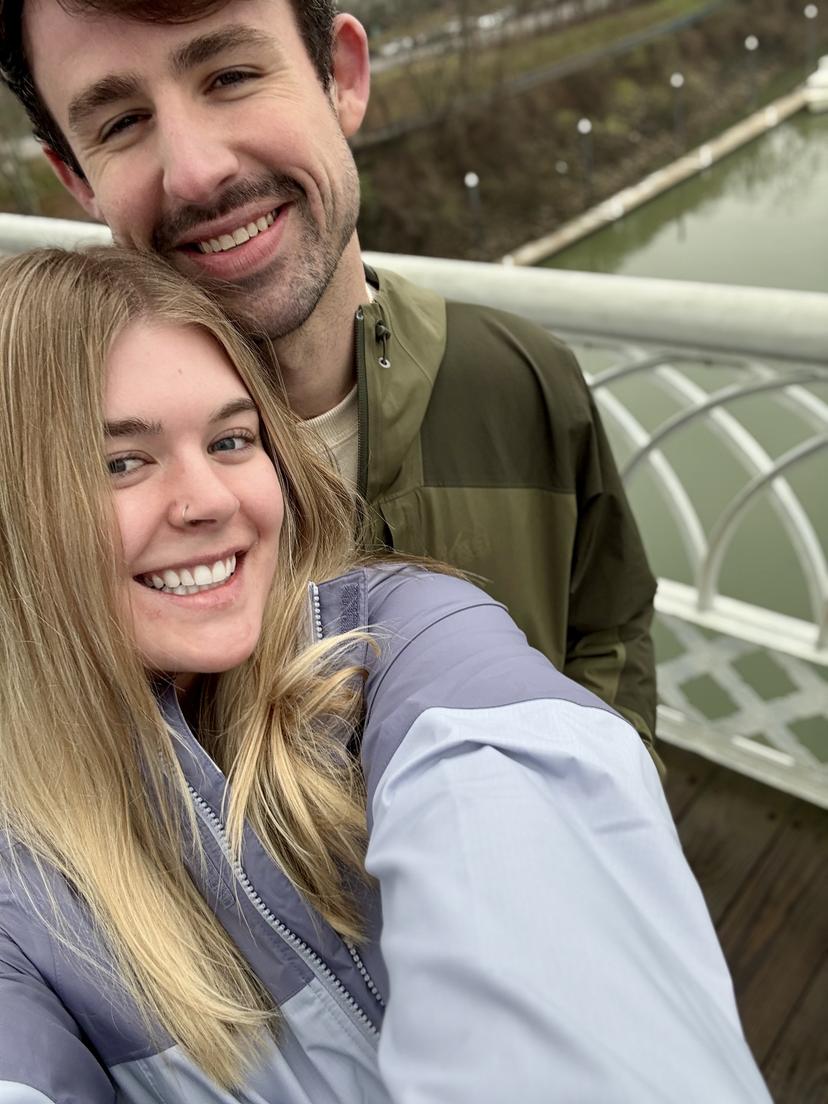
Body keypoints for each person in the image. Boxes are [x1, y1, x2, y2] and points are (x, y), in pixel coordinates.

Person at [0, 246, 770, 1103]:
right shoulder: (20, 880)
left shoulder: (394, 635)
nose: (209, 499)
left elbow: (519, 767)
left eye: (231, 439)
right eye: (122, 462)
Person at [0, 0, 660, 761]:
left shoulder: (520, 378)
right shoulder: (39, 459)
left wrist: (597, 798)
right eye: (120, 124)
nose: (195, 170)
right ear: (78, 181)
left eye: (232, 76)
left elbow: (608, 629)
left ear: (341, 77)